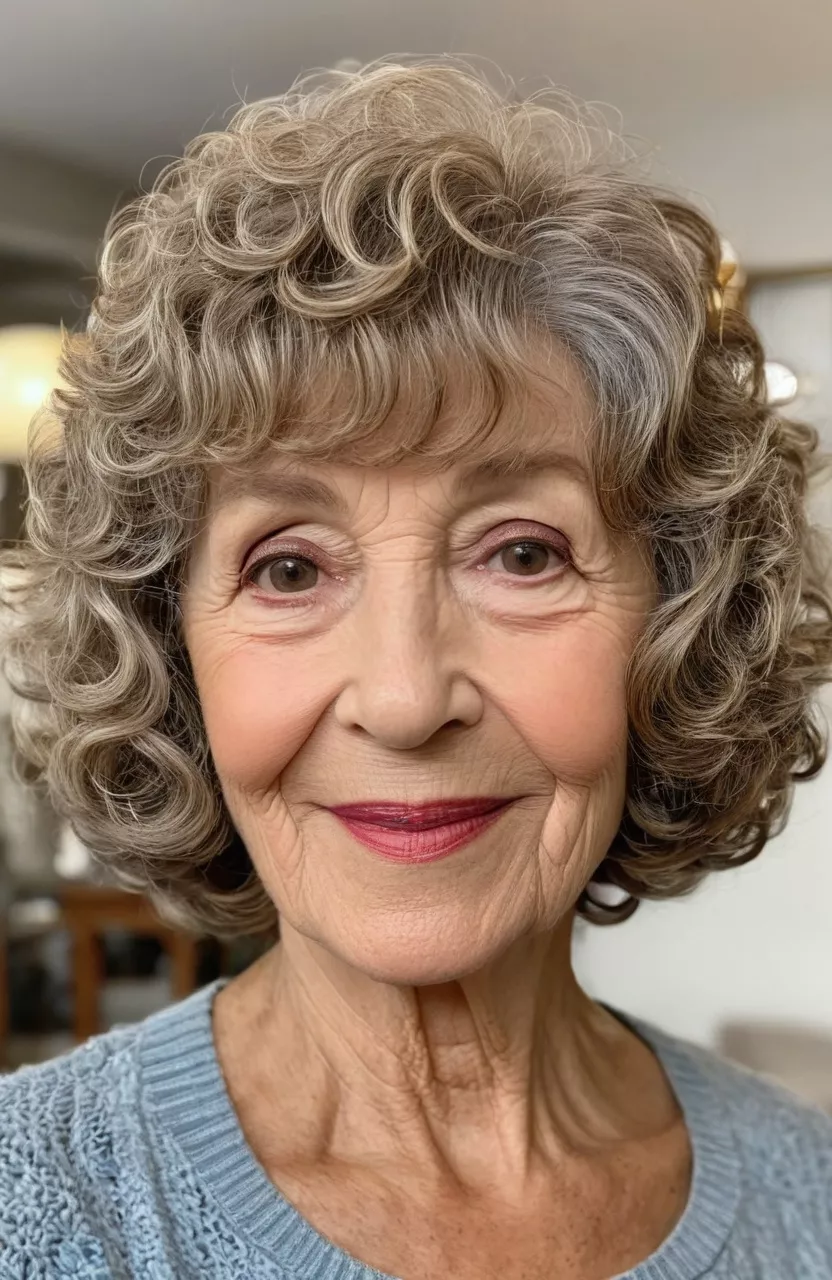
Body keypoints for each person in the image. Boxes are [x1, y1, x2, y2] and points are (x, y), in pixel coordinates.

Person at [0, 56, 831, 1280]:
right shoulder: (32, 1206)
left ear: (678, 624)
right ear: (171, 648)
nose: (400, 697)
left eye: (522, 552)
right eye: (289, 569)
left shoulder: (808, 1192)